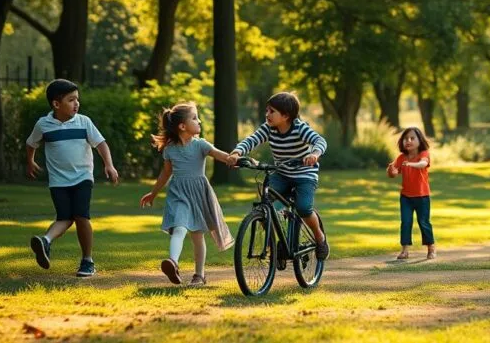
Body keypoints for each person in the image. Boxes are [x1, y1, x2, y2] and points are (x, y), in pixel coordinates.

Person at [26, 78, 118, 278]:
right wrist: (30, 161)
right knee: (65, 218)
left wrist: (109, 165)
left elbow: (101, 144)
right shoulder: (43, 124)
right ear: (56, 104)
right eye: (71, 100)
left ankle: (87, 260)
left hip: (83, 178)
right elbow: (31, 143)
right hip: (58, 182)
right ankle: (45, 242)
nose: (77, 103)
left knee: (81, 216)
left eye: (77, 99)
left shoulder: (84, 122)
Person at [140, 103, 234, 286]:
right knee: (179, 227)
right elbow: (165, 173)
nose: (199, 121)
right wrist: (153, 193)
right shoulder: (170, 149)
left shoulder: (200, 145)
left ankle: (199, 275)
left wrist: (234, 158)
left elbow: (220, 155)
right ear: (182, 126)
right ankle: (173, 263)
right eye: (195, 118)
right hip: (179, 194)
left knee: (197, 235)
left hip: (198, 194)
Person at [227, 91, 329, 260]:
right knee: (264, 207)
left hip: (304, 174)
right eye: (266, 110)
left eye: (272, 111)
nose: (267, 114)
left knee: (303, 208)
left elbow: (320, 141)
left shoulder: (299, 128)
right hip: (281, 174)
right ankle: (277, 244)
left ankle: (320, 238)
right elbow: (252, 140)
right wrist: (237, 152)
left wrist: (315, 154)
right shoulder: (269, 128)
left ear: (286, 115)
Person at [386, 127, 436, 260]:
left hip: (422, 196)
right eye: (405, 139)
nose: (408, 141)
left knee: (423, 222)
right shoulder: (401, 157)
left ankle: (431, 248)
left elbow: (423, 164)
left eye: (412, 138)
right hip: (406, 197)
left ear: (420, 140)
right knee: (406, 222)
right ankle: (405, 250)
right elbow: (393, 173)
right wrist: (391, 171)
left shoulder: (424, 154)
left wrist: (410, 164)